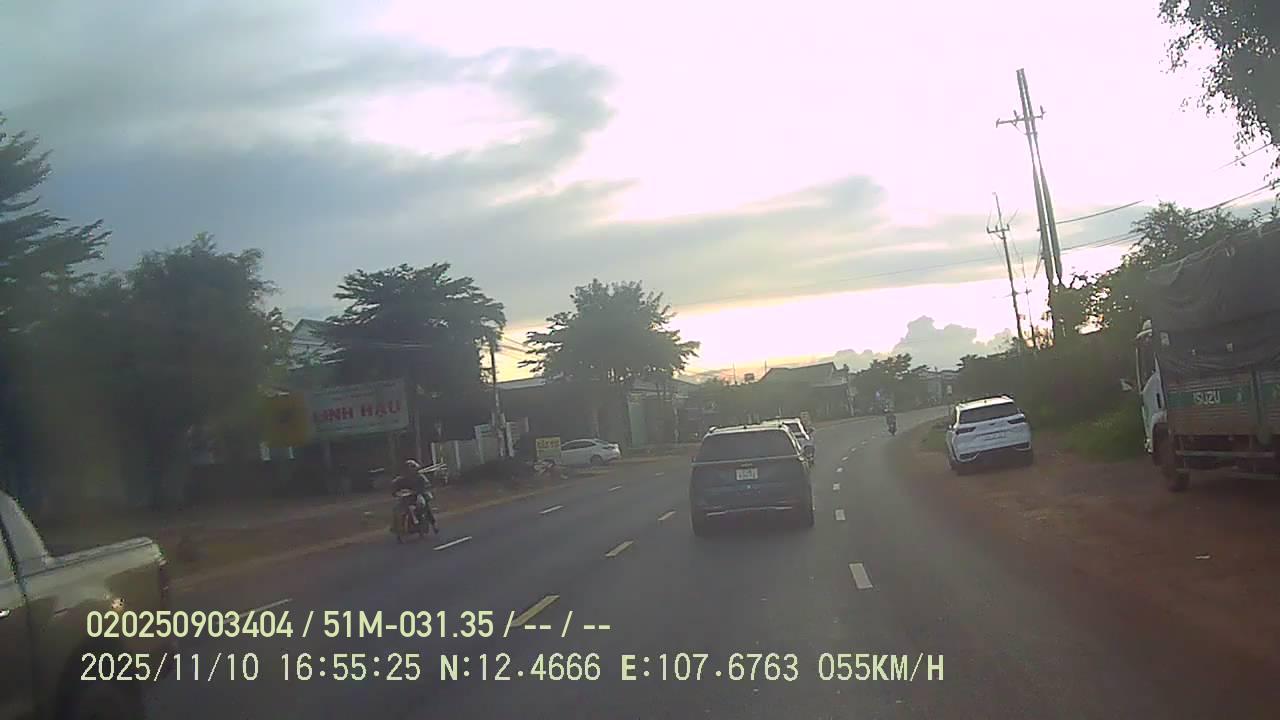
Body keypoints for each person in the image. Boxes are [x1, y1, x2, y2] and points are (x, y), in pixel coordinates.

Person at [391, 459, 438, 534]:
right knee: (396, 509)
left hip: (418, 496)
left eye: (411, 468)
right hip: (406, 498)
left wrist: (418, 491)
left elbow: (426, 486)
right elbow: (395, 487)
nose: (409, 470)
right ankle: (396, 527)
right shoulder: (401, 479)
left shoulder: (420, 477)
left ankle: (433, 524)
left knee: (425, 507)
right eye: (408, 468)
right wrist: (395, 492)